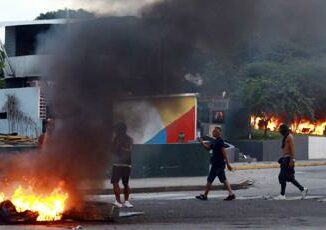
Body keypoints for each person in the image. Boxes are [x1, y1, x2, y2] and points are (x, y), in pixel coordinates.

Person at [196, 127, 235, 201]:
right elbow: (208, 148)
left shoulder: (220, 141)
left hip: (217, 164)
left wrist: (228, 164)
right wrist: (202, 143)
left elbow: (224, 153)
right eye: (213, 131)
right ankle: (231, 194)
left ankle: (205, 195)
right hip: (218, 164)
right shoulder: (215, 141)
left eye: (215, 131)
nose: (213, 132)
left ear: (219, 133)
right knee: (223, 179)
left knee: (210, 179)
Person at [274, 124, 308, 200]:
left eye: (281, 130)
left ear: (284, 130)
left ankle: (282, 195)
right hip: (285, 158)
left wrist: (292, 160)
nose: (280, 131)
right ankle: (303, 189)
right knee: (290, 178)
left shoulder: (289, 137)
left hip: (288, 159)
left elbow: (292, 149)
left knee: (282, 176)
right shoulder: (285, 137)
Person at [111, 122, 134, 208]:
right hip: (127, 164)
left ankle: (118, 201)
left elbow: (114, 150)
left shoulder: (117, 139)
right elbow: (129, 150)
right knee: (126, 183)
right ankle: (127, 201)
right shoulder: (129, 139)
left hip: (118, 164)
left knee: (115, 182)